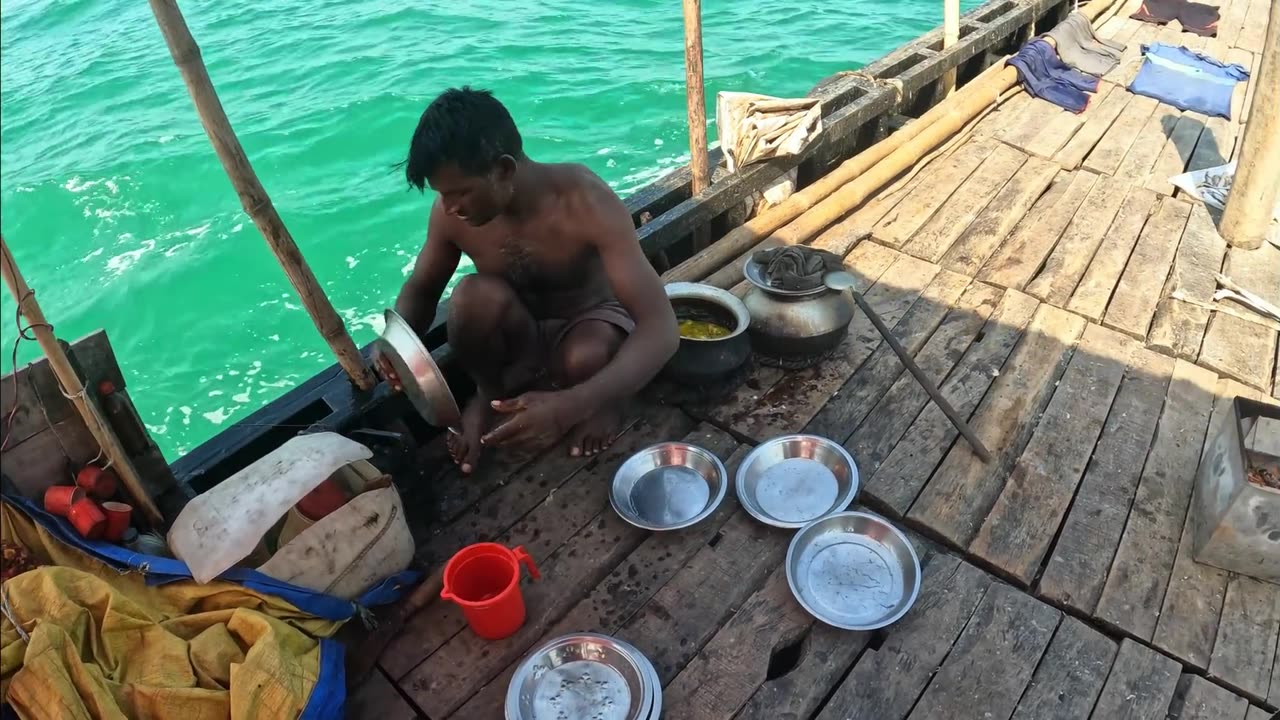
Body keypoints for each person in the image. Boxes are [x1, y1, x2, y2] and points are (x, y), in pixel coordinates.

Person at [377, 87, 678, 474]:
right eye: (442, 195)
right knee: (470, 298)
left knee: (585, 355)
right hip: (523, 333)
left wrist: (575, 403)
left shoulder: (586, 202)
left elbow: (662, 329)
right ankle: (489, 396)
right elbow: (421, 289)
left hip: (589, 325)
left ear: (503, 170)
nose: (450, 207)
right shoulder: (450, 214)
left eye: (461, 192)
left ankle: (604, 402)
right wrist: (394, 341)